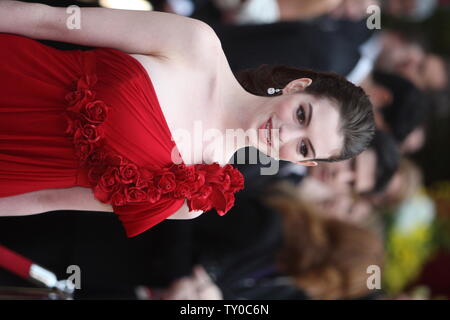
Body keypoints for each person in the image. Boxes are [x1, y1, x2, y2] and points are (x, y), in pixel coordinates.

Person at [0, 1, 374, 237]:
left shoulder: (194, 197)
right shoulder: (197, 44)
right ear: (297, 87)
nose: (285, 133)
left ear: (303, 162)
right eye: (301, 114)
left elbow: (46, 199)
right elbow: (54, 22)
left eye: (304, 145)